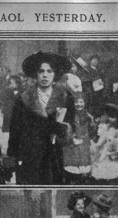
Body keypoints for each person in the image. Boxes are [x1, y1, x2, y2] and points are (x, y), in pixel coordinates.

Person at [6, 51, 75, 185]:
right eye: (41, 71)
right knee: (30, 195)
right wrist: (11, 158)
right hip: (29, 154)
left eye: (49, 71)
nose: (45, 75)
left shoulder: (65, 98)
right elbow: (15, 130)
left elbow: (70, 127)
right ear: (35, 74)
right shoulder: (23, 99)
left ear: (55, 74)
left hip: (54, 156)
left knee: (50, 195)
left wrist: (62, 129)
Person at [62, 94, 97, 184]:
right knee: (72, 171)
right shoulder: (69, 115)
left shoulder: (88, 116)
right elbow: (65, 130)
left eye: (81, 102)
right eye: (76, 102)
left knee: (84, 170)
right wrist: (72, 138)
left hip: (84, 145)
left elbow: (92, 131)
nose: (79, 104)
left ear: (85, 103)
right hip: (72, 145)